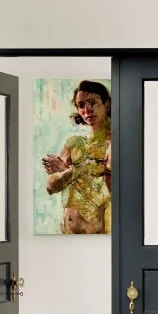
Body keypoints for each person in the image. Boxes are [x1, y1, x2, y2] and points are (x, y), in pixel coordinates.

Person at [41, 80, 111, 234]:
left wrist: (66, 172)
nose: (87, 109)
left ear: (106, 104)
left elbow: (112, 186)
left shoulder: (113, 142)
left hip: (98, 233)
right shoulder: (74, 143)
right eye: (81, 105)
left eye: (92, 102)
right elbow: (51, 186)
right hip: (67, 230)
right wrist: (78, 170)